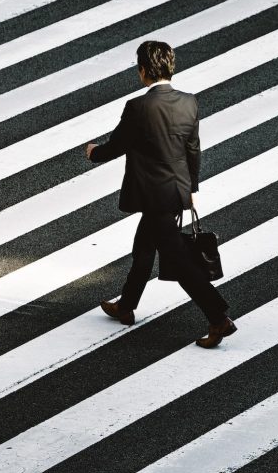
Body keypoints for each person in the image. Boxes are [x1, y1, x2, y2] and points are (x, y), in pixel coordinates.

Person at [86, 40, 237, 348]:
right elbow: (192, 150)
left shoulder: (139, 107)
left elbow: (117, 145)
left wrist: (93, 153)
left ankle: (219, 318)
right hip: (174, 191)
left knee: (178, 262)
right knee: (144, 248)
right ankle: (126, 305)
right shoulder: (188, 102)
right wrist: (190, 188)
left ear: (143, 71)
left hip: (151, 194)